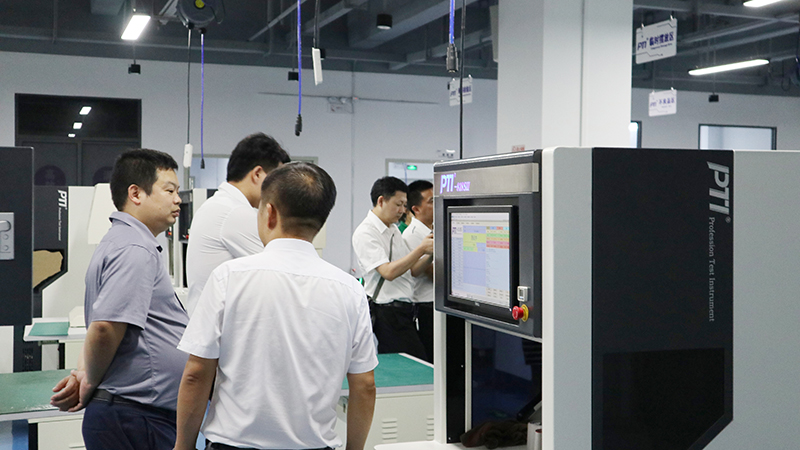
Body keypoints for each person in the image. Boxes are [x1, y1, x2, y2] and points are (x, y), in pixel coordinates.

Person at [174, 162, 378, 450]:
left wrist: (183, 446)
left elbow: (197, 373)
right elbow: (365, 385)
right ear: (321, 221)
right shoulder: (350, 290)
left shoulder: (228, 277)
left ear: (269, 213)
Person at [50, 149, 188, 450]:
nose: (178, 200)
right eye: (169, 191)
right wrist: (89, 380)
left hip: (135, 416)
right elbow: (104, 328)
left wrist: (84, 372)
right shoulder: (134, 248)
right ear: (136, 194)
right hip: (135, 418)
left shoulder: (123, 242)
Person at [185, 132, 290, 316]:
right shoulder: (234, 213)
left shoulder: (218, 204)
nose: (279, 191)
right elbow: (284, 273)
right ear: (257, 174)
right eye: (276, 181)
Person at [352, 176, 433, 361]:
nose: (402, 210)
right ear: (381, 201)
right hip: (386, 312)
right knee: (412, 363)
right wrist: (421, 249)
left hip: (403, 311)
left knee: (416, 360)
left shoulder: (393, 229)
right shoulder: (366, 232)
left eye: (404, 205)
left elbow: (412, 270)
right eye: (398, 204)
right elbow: (388, 272)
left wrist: (430, 254)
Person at [402, 180, 435, 362]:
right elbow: (431, 272)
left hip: (438, 304)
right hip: (426, 306)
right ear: (416, 209)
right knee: (431, 357)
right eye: (431, 201)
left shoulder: (435, 229)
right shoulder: (412, 235)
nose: (437, 203)